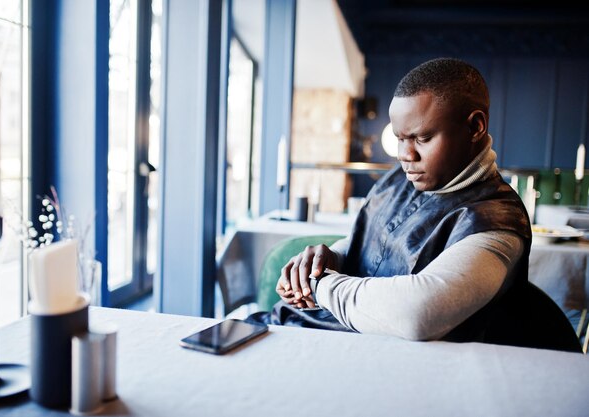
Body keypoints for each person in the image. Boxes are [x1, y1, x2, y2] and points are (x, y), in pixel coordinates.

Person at [246, 57, 581, 351]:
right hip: (337, 336)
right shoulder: (398, 178)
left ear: (475, 126)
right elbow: (364, 244)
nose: (406, 156)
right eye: (399, 139)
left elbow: (418, 315)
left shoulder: (498, 221)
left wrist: (321, 287)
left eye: (422, 138)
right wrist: (325, 260)